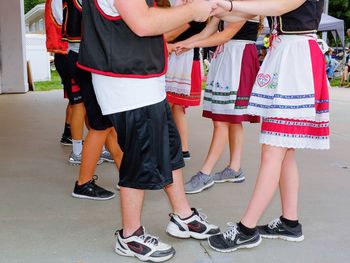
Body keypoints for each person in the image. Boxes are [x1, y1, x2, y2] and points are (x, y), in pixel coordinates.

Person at [77, 0, 220, 262]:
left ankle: (183, 215)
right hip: (127, 86)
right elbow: (144, 24)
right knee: (139, 158)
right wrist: (191, 11)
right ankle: (130, 236)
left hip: (142, 82)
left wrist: (192, 16)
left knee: (169, 148)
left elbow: (155, 28)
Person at [206, 0, 330, 253]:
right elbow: (258, 9)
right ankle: (289, 222)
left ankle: (246, 230)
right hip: (289, 55)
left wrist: (229, 5)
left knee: (274, 149)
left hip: (296, 59)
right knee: (285, 150)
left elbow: (275, 6)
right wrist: (226, 10)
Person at [174, 17, 261, 194]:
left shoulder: (246, 4)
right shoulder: (226, 6)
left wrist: (190, 45)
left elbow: (225, 35)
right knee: (232, 119)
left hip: (239, 57)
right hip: (227, 57)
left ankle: (205, 173)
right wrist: (183, 43)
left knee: (222, 120)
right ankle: (234, 169)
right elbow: (208, 31)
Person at [62, 0, 123, 200]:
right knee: (101, 125)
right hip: (89, 61)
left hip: (82, 57)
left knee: (107, 124)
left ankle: (127, 175)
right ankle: (83, 183)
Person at [164, 0, 207, 160]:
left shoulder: (196, 9)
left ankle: (168, 147)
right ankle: (182, 149)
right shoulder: (185, 6)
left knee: (168, 106)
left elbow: (175, 32)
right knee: (176, 108)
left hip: (183, 58)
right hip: (179, 56)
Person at [44, 0, 72, 145]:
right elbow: (68, 20)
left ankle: (68, 134)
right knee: (81, 101)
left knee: (76, 101)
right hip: (67, 52)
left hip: (67, 53)